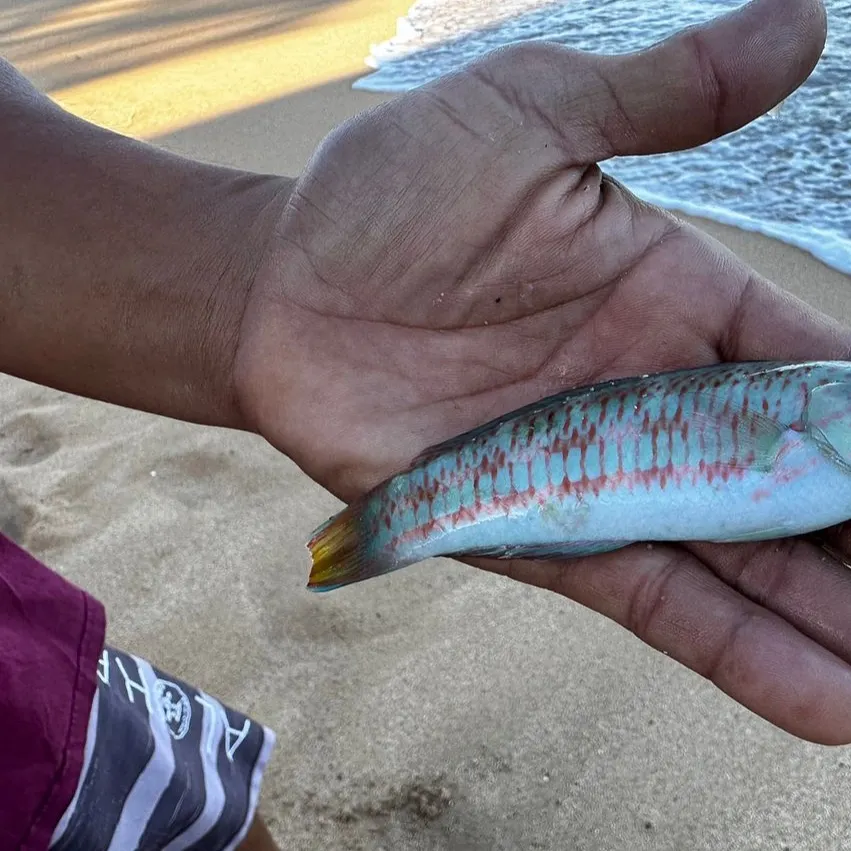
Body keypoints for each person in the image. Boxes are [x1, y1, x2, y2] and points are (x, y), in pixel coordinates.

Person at [2, 0, 849, 846]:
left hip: (41, 684)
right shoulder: (808, 439)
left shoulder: (811, 436)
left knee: (195, 806)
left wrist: (254, 269)